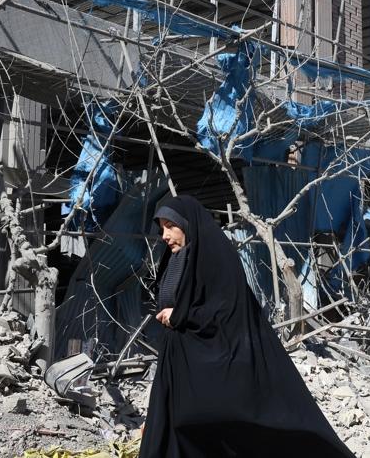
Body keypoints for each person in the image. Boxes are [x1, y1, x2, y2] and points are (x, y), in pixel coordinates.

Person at [141, 196, 354, 458]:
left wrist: (181, 315)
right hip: (179, 361)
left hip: (216, 358)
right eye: (161, 227)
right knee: (170, 428)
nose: (164, 235)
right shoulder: (176, 259)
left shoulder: (216, 255)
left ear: (187, 224)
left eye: (169, 226)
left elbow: (226, 309)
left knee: (210, 423)